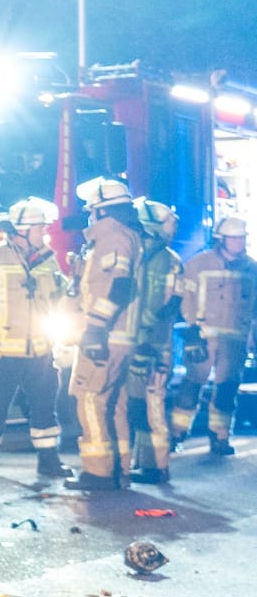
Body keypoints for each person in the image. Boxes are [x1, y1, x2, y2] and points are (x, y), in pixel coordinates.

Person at [0, 197, 68, 479]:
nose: (44, 233)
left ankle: (49, 461)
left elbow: (59, 297)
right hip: (3, 351)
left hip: (40, 350)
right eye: (39, 228)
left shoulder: (47, 258)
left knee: (45, 409)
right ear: (21, 230)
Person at [66, 177, 145, 490]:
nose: (89, 217)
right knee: (115, 404)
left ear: (101, 212)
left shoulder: (111, 237)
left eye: (91, 211)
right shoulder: (127, 236)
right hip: (122, 335)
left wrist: (96, 328)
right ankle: (119, 469)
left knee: (89, 399)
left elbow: (118, 286)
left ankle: (97, 473)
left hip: (106, 335)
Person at [172, 215, 257, 455]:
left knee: (227, 389)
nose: (239, 243)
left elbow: (254, 306)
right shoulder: (199, 264)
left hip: (235, 341)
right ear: (221, 240)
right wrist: (191, 330)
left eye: (241, 238)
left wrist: (251, 334)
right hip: (202, 336)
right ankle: (177, 433)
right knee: (191, 385)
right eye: (234, 239)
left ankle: (220, 437)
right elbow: (186, 297)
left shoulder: (252, 268)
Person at [127, 198, 183, 483]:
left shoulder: (162, 260)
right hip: (148, 342)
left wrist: (143, 344)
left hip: (151, 345)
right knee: (141, 405)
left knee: (150, 405)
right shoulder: (155, 257)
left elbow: (155, 307)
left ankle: (156, 467)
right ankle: (146, 463)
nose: (173, 227)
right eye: (170, 222)